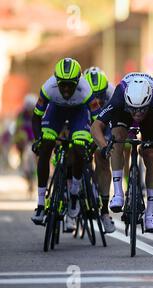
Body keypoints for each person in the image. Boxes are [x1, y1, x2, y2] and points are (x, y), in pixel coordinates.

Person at [90, 72, 153, 233]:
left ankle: (150, 213)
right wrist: (103, 147)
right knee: (117, 139)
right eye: (134, 110)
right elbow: (96, 126)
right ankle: (117, 193)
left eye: (141, 110)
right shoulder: (120, 94)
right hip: (123, 111)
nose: (137, 115)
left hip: (150, 117)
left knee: (150, 154)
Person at [31, 58, 101, 229]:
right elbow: (36, 117)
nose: (66, 89)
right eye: (62, 85)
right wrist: (38, 139)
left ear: (78, 81)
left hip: (79, 114)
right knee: (46, 146)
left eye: (70, 85)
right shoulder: (48, 88)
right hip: (56, 112)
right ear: (57, 81)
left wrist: (92, 144)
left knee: (78, 148)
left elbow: (98, 121)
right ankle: (41, 204)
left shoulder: (86, 90)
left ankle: (75, 193)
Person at [84, 66, 116, 233]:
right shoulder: (80, 91)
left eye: (100, 96)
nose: (97, 100)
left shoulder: (112, 93)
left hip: (105, 123)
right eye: (93, 97)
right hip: (84, 119)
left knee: (102, 159)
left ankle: (104, 211)